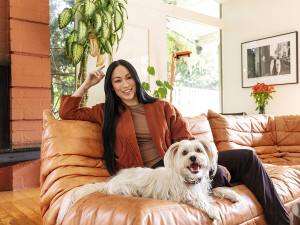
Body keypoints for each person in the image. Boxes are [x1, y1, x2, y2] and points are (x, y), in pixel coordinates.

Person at [59, 59, 289, 225]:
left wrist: (206, 161)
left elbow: (187, 141)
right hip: (152, 175)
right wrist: (87, 84)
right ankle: (218, 179)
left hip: (179, 163)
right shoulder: (105, 112)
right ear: (111, 86)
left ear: (136, 79)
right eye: (117, 80)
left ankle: (281, 222)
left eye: (128, 77)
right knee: (214, 173)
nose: (125, 84)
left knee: (247, 157)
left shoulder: (162, 107)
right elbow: (67, 112)